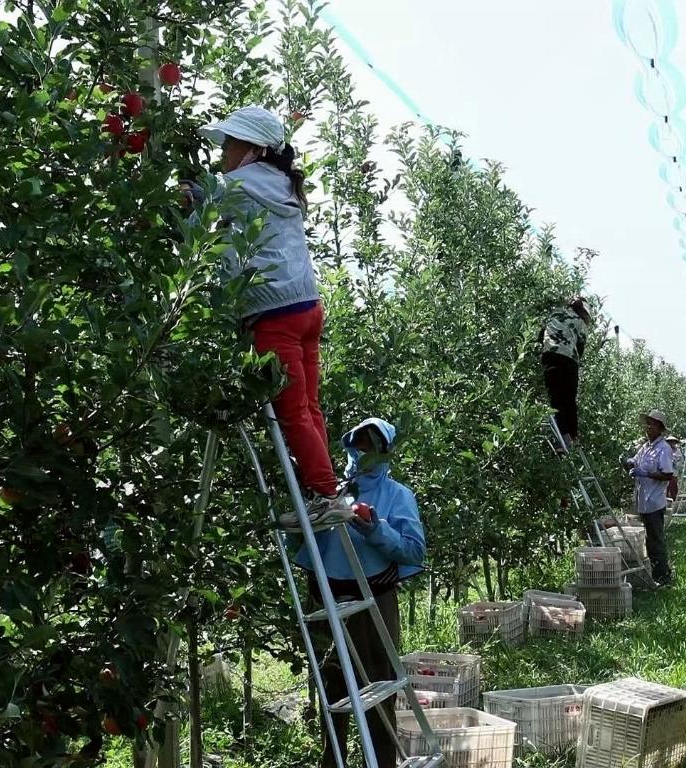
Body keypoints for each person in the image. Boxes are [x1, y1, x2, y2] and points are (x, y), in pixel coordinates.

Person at [197, 106, 352, 527]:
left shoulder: (236, 185)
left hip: (273, 314)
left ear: (253, 148)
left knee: (292, 411)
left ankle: (325, 494)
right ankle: (328, 488)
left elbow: (193, 215)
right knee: (309, 407)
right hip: (306, 307)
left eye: (230, 142)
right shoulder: (283, 182)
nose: (223, 151)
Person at [296, 418, 425, 768]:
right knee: (331, 689)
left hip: (375, 599)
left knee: (378, 689)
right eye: (359, 444)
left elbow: (415, 551)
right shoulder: (331, 493)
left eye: (371, 445)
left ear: (385, 452)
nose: (363, 453)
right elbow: (306, 547)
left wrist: (375, 529)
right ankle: (332, 760)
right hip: (329, 598)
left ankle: (381, 762)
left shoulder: (398, 496)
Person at [623, 409, 676, 585]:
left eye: (651, 425)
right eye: (647, 424)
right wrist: (629, 462)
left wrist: (646, 473)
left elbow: (668, 474)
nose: (648, 428)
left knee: (656, 540)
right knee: (649, 539)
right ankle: (656, 574)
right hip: (643, 501)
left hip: (654, 501)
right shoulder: (646, 447)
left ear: (660, 428)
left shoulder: (663, 449)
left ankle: (663, 578)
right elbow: (635, 460)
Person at [539, 297, 592, 450]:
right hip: (570, 362)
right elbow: (580, 346)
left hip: (551, 357)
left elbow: (541, 335)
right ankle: (572, 437)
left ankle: (562, 439)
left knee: (556, 400)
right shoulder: (580, 322)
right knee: (569, 400)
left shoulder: (554, 313)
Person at [664, 436, 681, 509]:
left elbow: (680, 461)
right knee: (665, 489)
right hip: (665, 473)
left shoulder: (678, 451)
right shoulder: (665, 450)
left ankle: (675, 506)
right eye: (670, 441)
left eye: (673, 442)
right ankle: (665, 505)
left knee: (674, 489)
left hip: (674, 473)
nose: (671, 443)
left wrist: (674, 461)